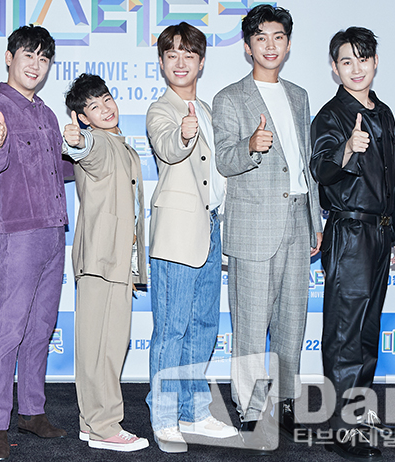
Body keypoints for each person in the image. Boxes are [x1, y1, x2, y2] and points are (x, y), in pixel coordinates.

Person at [212, 4, 322, 452]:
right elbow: (224, 159)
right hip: (254, 224)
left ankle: (288, 401)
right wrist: (251, 146)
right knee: (251, 324)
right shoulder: (229, 98)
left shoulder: (299, 95)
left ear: (288, 44)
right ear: (247, 46)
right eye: (261, 38)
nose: (270, 45)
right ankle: (251, 409)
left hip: (298, 217)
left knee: (293, 320)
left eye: (278, 37)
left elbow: (306, 163)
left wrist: (315, 218)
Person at [310, 26, 395, 461]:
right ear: (334, 68)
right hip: (349, 234)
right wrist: (348, 149)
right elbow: (320, 169)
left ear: (375, 62)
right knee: (345, 335)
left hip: (381, 233)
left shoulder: (384, 112)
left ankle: (361, 414)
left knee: (367, 334)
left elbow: (394, 177)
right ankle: (343, 427)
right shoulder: (331, 116)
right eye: (346, 61)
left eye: (362, 59)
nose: (355, 69)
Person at [0, 25, 70, 460]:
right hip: (18, 234)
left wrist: (82, 146)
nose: (35, 65)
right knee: (9, 329)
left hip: (54, 231)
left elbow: (61, 171)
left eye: (43, 58)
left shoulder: (47, 114)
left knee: (41, 327)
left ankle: (32, 411)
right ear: (9, 58)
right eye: (28, 55)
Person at [145, 22, 237, 453]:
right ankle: (164, 417)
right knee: (171, 330)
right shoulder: (160, 110)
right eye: (172, 55)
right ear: (162, 63)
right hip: (177, 233)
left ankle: (195, 410)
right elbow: (168, 146)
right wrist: (183, 134)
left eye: (188, 55)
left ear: (201, 62)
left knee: (203, 327)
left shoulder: (210, 110)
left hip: (211, 228)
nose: (180, 62)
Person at [63, 73, 149, 452]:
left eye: (107, 99)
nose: (105, 108)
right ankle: (103, 426)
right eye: (94, 107)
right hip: (100, 260)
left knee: (108, 347)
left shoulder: (123, 146)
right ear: (83, 118)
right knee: (100, 349)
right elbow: (87, 151)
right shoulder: (98, 142)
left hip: (115, 262)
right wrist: (78, 141)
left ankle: (93, 424)